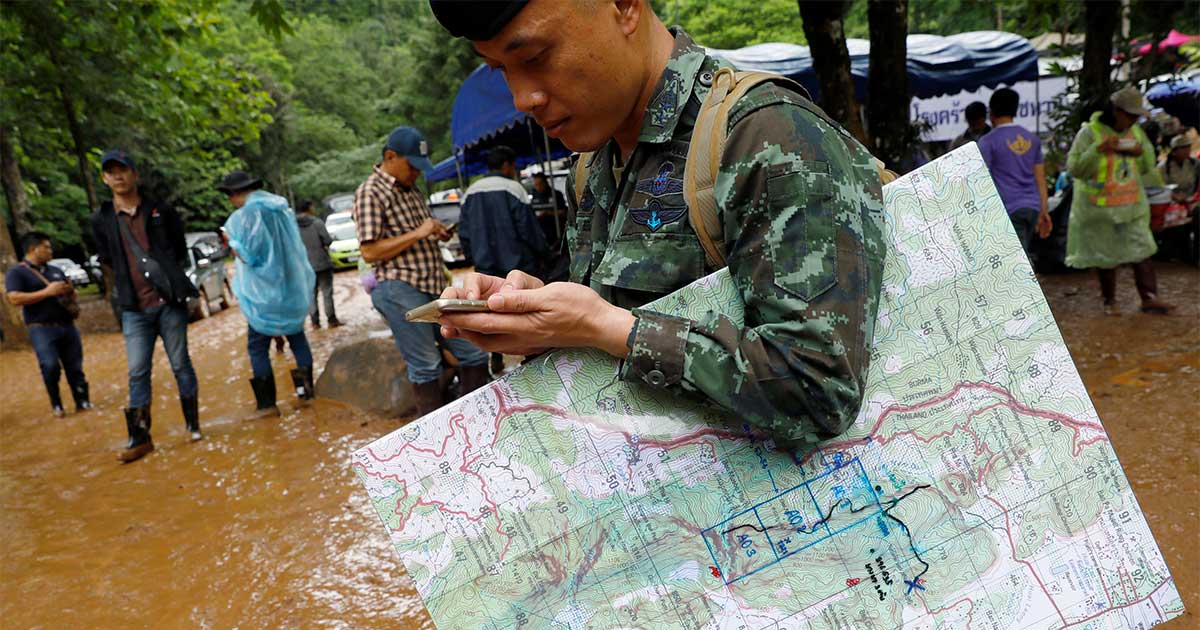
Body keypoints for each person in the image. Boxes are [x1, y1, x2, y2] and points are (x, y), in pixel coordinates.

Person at [429, 0, 886, 450]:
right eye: (499, 69)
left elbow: (819, 390)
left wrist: (607, 326)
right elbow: (609, 340)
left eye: (534, 58)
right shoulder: (592, 167)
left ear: (624, 7)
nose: (522, 98)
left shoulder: (765, 134)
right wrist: (543, 323)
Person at [352, 126, 491, 415]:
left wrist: (435, 231)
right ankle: (434, 438)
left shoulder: (411, 189)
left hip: (432, 285)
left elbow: (420, 229)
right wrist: (418, 232)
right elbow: (370, 251)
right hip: (400, 286)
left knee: (474, 350)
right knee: (426, 365)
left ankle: (475, 421)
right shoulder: (370, 192)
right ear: (391, 157)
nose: (417, 173)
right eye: (412, 166)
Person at [91, 149, 201, 462]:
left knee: (180, 362)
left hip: (169, 302)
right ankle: (139, 437)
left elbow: (178, 248)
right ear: (104, 178)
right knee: (137, 370)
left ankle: (193, 426)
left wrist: (166, 279)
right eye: (110, 172)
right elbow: (107, 258)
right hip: (133, 307)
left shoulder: (160, 209)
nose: (117, 176)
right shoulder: (101, 219)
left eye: (122, 170)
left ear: (134, 173)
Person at [1066, 86, 1173, 316]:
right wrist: (1100, 149)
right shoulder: (1089, 133)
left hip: (1132, 206)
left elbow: (1147, 164)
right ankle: (1110, 301)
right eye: (1130, 115)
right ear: (1116, 111)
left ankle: (1149, 297)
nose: (1133, 121)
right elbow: (1075, 169)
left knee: (1142, 250)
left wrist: (1139, 152)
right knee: (1106, 256)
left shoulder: (1136, 133)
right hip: (1099, 208)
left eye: (1137, 116)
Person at [218, 170, 317, 417]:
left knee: (257, 347)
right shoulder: (281, 209)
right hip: (291, 287)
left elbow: (249, 255)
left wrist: (230, 241)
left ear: (234, 194)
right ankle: (307, 394)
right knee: (297, 336)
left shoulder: (243, 217)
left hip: (263, 293)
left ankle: (267, 405)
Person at [460, 145, 548, 374]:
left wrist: (474, 257)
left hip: (485, 265)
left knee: (489, 307)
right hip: (516, 265)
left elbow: (465, 233)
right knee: (522, 309)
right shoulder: (514, 188)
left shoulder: (470, 192)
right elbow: (528, 229)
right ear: (507, 165)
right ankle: (532, 358)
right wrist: (543, 253)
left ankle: (495, 355)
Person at [5, 232, 91, 416]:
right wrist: (47, 292)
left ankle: (82, 401)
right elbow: (13, 298)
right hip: (41, 327)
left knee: (75, 366)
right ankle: (56, 404)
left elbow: (69, 292)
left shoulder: (55, 270)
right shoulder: (17, 272)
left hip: (67, 325)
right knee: (50, 365)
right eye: (47, 247)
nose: (50, 251)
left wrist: (69, 293)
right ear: (33, 249)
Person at [977, 88, 1052, 257]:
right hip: (1032, 207)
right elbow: (1040, 179)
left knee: (1017, 263)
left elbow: (981, 178)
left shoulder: (988, 141)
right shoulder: (1032, 139)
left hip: (1007, 209)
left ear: (992, 112)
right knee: (1022, 256)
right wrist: (1044, 210)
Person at [295, 199, 342, 328]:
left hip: (304, 266)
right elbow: (327, 240)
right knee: (327, 292)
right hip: (322, 263)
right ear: (309, 208)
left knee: (311, 294)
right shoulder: (317, 223)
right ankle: (331, 320)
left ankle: (315, 322)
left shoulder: (292, 227)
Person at [1159, 135, 1198, 200]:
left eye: (1188, 146)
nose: (1187, 150)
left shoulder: (1194, 163)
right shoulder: (1163, 167)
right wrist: (1175, 196)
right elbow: (1162, 188)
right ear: (1174, 151)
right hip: (1173, 201)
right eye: (1183, 147)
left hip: (1193, 198)